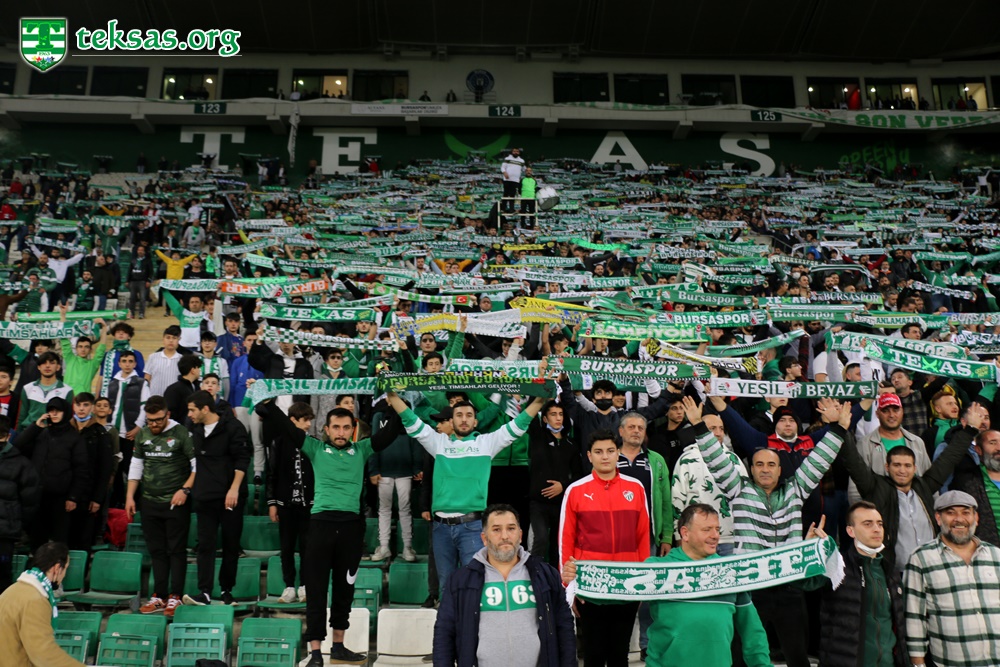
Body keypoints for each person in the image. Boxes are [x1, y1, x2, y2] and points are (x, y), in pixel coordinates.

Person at [682, 395, 850, 667]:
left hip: (789, 586)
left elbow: (819, 460)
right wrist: (699, 427)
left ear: (780, 470)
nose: (765, 469)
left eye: (771, 464)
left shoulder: (796, 490)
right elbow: (716, 460)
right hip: (751, 588)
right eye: (759, 464)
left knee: (798, 656)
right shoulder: (739, 489)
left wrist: (839, 429)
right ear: (751, 468)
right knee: (740, 655)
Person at [263, 400, 398, 667]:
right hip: (320, 526)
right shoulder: (314, 447)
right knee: (315, 591)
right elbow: (285, 426)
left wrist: (396, 402)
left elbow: (391, 432)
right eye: (335, 427)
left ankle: (338, 647)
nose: (340, 432)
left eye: (346, 428)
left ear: (353, 430)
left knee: (344, 591)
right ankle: (315, 653)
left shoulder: (362, 449)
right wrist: (269, 402)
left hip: (351, 528)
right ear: (326, 429)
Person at [384, 391, 547, 596]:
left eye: (469, 415)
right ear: (451, 422)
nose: (464, 419)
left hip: (472, 527)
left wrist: (540, 399)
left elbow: (519, 424)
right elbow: (409, 417)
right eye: (459, 415)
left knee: (474, 587)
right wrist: (391, 394)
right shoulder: (438, 443)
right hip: (441, 528)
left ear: (476, 422)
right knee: (446, 588)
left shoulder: (486, 443)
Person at [841, 401, 984, 574]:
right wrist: (841, 429)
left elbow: (948, 459)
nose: (902, 470)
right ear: (887, 467)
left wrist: (969, 430)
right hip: (895, 573)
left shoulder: (924, 486)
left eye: (907, 466)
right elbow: (853, 463)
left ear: (915, 468)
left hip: (932, 569)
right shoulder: (876, 488)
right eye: (897, 465)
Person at [433, 504, 576, 667]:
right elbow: (444, 632)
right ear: (484, 538)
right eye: (496, 530)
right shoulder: (461, 580)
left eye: (511, 528)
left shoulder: (545, 575)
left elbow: (565, 628)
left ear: (520, 535)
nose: (505, 536)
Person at [560, 430, 650, 667]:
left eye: (610, 451)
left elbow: (643, 538)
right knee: (594, 655)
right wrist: (570, 587)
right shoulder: (575, 490)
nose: (605, 456)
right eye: (598, 452)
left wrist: (644, 582)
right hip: (590, 586)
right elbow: (565, 541)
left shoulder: (636, 488)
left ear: (618, 453)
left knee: (619, 655)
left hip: (627, 584)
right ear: (589, 456)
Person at [640, 504, 770, 667]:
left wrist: (762, 665)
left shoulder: (730, 571)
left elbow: (752, 630)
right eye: (707, 529)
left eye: (717, 529)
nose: (715, 535)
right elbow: (616, 598)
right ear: (685, 533)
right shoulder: (657, 569)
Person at [904, 490, 1000, 667]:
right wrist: (918, 664)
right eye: (950, 513)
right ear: (938, 518)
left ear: (976, 518)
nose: (959, 519)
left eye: (966, 512)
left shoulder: (996, 555)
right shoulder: (921, 558)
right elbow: (914, 617)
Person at [127, 395, 196, 617]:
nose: (154, 424)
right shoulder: (143, 434)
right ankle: (159, 596)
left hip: (175, 503)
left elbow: (196, 466)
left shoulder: (181, 433)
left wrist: (185, 490)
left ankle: (176, 596)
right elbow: (136, 466)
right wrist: (130, 496)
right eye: (150, 420)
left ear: (168, 415)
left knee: (176, 550)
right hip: (149, 502)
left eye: (158, 420)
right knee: (156, 550)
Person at [182, 390, 250, 607]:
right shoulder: (194, 429)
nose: (189, 414)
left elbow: (242, 460)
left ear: (205, 409)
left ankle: (226, 591)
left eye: (192, 410)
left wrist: (234, 489)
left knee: (231, 545)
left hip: (231, 496)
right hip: (205, 496)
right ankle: (205, 592)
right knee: (205, 545)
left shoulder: (233, 427)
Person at [820, 501, 907, 667]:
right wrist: (810, 552)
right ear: (850, 531)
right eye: (868, 524)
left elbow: (898, 626)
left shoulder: (890, 571)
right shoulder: (837, 566)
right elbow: (805, 584)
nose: (876, 529)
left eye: (879, 524)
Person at [15, 398, 89, 550]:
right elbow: (17, 446)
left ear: (65, 412)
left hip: (61, 498)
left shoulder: (74, 438)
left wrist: (73, 497)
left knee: (59, 541)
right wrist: (35, 427)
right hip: (37, 495)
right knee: (37, 541)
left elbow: (81, 470)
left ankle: (58, 565)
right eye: (51, 410)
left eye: (58, 411)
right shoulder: (41, 433)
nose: (54, 414)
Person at [671, 412, 747, 556]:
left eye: (721, 428)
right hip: (697, 540)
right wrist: (678, 536)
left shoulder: (734, 460)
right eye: (712, 428)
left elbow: (746, 498)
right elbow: (677, 500)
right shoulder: (686, 459)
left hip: (732, 539)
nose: (718, 433)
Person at [0, 541, 86, 667]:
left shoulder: (11, 591)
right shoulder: (35, 601)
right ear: (57, 568)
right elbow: (44, 655)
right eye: (65, 569)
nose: (64, 575)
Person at [849, 392, 930, 505]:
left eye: (896, 410)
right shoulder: (865, 444)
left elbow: (928, 479)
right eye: (885, 411)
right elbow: (855, 486)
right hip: (880, 508)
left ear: (902, 412)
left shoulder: (917, 442)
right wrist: (860, 511)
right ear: (877, 414)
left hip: (915, 506)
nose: (891, 415)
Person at [526, 400, 580, 565]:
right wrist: (540, 390)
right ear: (544, 418)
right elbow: (530, 411)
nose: (558, 418)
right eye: (553, 414)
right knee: (540, 539)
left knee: (558, 545)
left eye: (561, 414)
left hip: (561, 504)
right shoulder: (537, 436)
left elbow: (579, 475)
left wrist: (563, 486)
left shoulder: (571, 444)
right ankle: (535, 574)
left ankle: (556, 578)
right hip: (538, 503)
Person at [68, 393, 113, 552]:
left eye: (86, 405)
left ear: (92, 408)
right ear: (73, 406)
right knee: (63, 541)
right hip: (65, 494)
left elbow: (105, 468)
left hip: (88, 496)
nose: (81, 409)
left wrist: (97, 498)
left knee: (84, 541)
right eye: (78, 405)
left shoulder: (100, 433)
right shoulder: (65, 430)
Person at [0, 415, 39, 589]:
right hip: (8, 530)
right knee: (3, 575)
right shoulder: (23, 463)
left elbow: (30, 501)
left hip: (6, 532)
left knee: (2, 576)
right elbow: (30, 501)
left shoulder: (22, 463)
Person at [954, 428, 1000, 545]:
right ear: (978, 450)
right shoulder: (968, 481)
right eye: (992, 443)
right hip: (986, 551)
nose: (999, 448)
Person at [17, 351, 73, 432]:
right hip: (29, 432)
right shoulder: (28, 388)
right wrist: (19, 435)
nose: (47, 366)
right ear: (38, 367)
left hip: (54, 434)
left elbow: (68, 418)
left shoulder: (67, 390)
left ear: (58, 367)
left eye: (52, 363)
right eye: (44, 363)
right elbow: (21, 416)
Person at [143, 325, 183, 397]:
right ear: (163, 339)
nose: (171, 340)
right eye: (168, 337)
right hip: (154, 397)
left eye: (174, 338)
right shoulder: (153, 357)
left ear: (178, 340)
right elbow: (147, 378)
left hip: (174, 398)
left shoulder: (182, 359)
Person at [501, 148, 525, 213]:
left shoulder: (522, 161)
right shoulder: (507, 159)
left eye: (517, 151)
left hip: (516, 180)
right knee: (505, 194)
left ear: (519, 153)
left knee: (512, 195)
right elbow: (502, 167)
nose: (516, 152)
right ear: (512, 152)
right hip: (507, 179)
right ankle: (503, 209)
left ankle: (511, 209)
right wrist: (504, 173)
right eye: (514, 151)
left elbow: (523, 169)